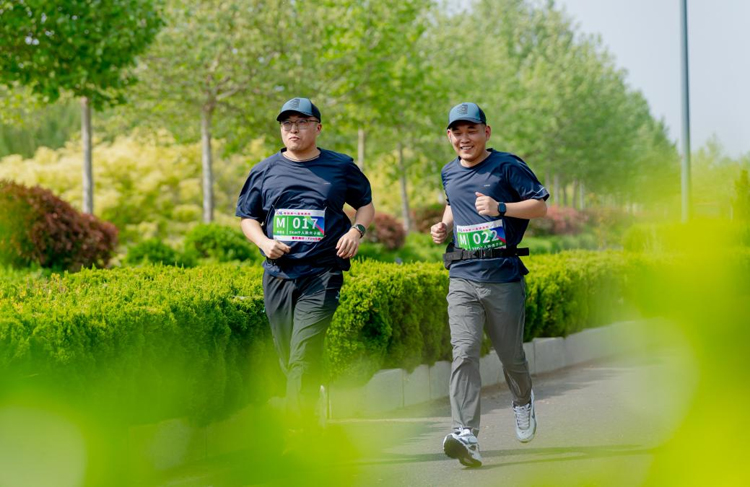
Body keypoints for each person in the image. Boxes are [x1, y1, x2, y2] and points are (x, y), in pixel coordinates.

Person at [236, 97, 375, 429]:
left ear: (318, 127)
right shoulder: (264, 170)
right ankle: (312, 398)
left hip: (323, 273)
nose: (293, 129)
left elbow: (365, 205)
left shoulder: (340, 166)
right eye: (287, 124)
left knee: (302, 351)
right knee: (289, 355)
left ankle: (298, 431)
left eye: (301, 123)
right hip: (279, 274)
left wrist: (356, 231)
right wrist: (264, 242)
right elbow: (247, 218)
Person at [431, 102, 549, 467]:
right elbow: (453, 203)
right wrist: (444, 225)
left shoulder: (507, 166)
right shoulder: (449, 172)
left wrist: (501, 208)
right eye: (457, 132)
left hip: (503, 277)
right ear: (449, 136)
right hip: (463, 276)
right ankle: (466, 433)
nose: (464, 138)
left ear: (486, 131)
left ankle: (523, 400)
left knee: (511, 357)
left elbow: (540, 206)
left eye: (471, 130)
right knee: (464, 351)